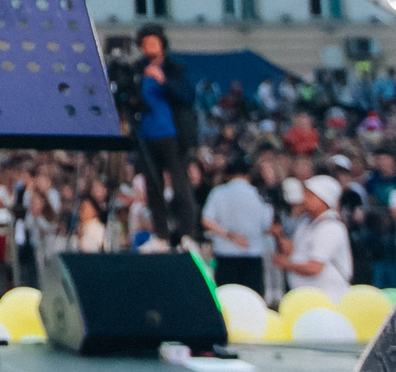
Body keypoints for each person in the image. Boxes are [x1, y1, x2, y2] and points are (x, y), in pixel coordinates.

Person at [129, 25, 194, 245]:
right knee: (153, 187)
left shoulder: (174, 68)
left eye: (153, 43)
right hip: (147, 135)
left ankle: (186, 233)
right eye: (145, 44)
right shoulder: (137, 69)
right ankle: (161, 234)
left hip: (172, 134)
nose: (149, 48)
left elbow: (187, 96)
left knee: (180, 186)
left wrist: (163, 81)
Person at [274, 174, 353, 299]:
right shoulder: (305, 222)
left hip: (329, 299)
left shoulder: (331, 227)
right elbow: (295, 253)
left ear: (324, 200)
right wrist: (278, 237)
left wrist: (286, 265)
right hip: (305, 297)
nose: (303, 199)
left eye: (310, 196)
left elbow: (314, 268)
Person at [200, 154, 273, 291]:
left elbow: (207, 221)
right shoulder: (258, 194)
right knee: (251, 296)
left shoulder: (218, 193)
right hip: (252, 253)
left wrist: (229, 235)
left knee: (227, 295)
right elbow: (267, 224)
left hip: (225, 255)